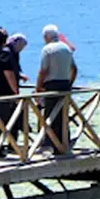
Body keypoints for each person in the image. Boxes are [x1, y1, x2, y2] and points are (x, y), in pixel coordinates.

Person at [36, 24, 78, 153]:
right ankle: (64, 141)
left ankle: (50, 144)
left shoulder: (47, 49)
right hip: (64, 85)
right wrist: (69, 84)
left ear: (46, 37)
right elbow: (74, 69)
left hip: (51, 85)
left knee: (50, 115)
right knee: (63, 115)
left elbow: (43, 71)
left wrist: (38, 87)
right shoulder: (66, 48)